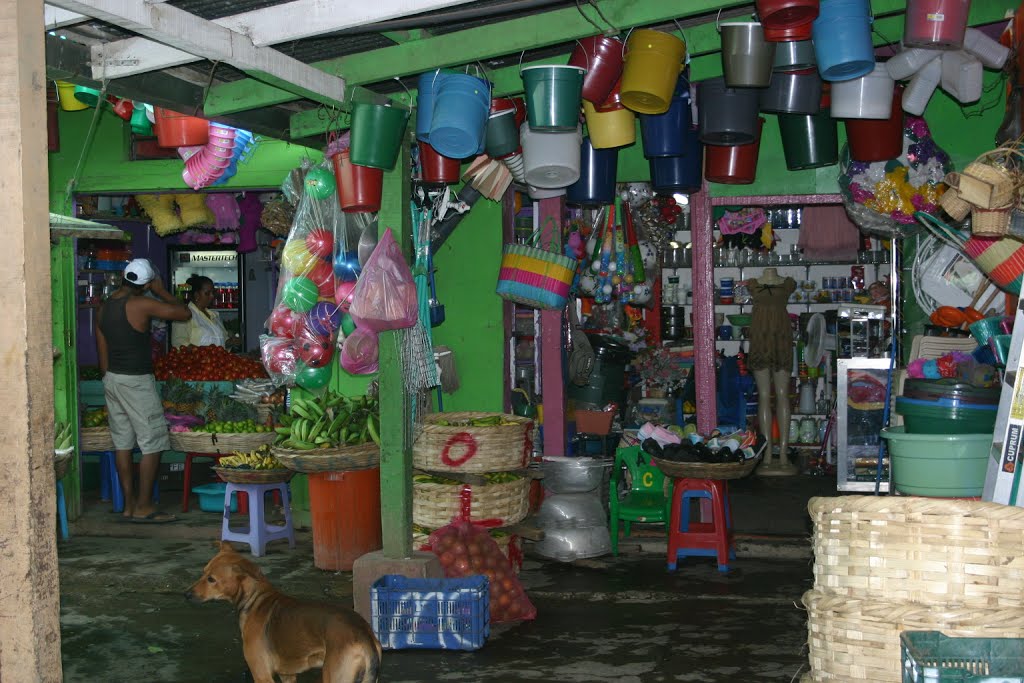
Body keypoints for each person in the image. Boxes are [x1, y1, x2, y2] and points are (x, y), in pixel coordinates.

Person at [96, 258, 192, 522]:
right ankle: (144, 506)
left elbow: (102, 353)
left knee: (123, 444)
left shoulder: (104, 308)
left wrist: (110, 381)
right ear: (146, 283)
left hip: (113, 380)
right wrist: (160, 291)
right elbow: (185, 313)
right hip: (136, 381)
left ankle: (128, 505)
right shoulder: (141, 303)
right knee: (152, 442)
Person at [747, 267, 798, 476]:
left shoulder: (788, 283)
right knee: (764, 397)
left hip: (781, 339)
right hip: (760, 339)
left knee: (783, 395)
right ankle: (767, 453)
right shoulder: (752, 283)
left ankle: (784, 453)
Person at [171, 274, 240, 349]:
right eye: (207, 293)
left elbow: (222, 342)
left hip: (216, 360)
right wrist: (203, 352)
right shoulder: (184, 315)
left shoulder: (214, 316)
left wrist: (231, 342)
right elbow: (179, 343)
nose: (212, 296)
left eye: (213, 292)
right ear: (197, 295)